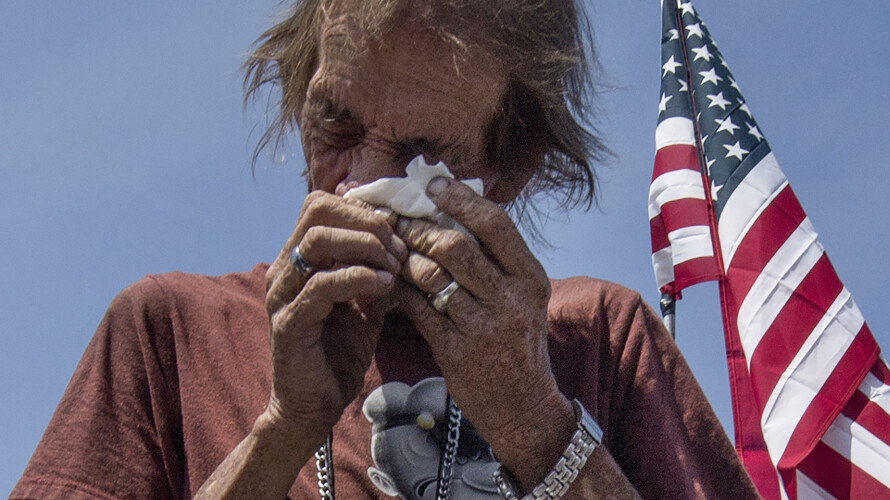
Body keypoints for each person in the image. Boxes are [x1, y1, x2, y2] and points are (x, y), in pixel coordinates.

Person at [12, 0, 760, 498]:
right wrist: (282, 430)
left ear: (506, 165)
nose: (361, 184)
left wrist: (536, 421)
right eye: (335, 128)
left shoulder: (600, 340)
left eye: (420, 154)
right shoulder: (168, 333)